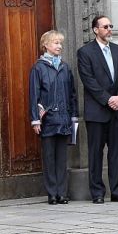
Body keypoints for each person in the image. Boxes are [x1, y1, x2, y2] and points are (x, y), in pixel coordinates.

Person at [77, 15, 118, 204]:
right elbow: (89, 81)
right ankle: (98, 193)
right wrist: (107, 99)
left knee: (116, 152)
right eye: (105, 26)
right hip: (97, 111)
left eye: (111, 26)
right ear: (95, 30)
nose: (109, 29)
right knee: (96, 153)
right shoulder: (85, 52)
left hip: (117, 110)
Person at [29, 30, 78, 204]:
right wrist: (35, 119)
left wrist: (74, 116)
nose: (59, 46)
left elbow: (72, 94)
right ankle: (52, 193)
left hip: (64, 119)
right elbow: (34, 95)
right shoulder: (38, 67)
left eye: (60, 43)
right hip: (48, 120)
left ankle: (62, 193)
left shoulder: (65, 67)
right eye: (56, 43)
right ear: (46, 45)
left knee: (62, 158)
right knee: (49, 158)